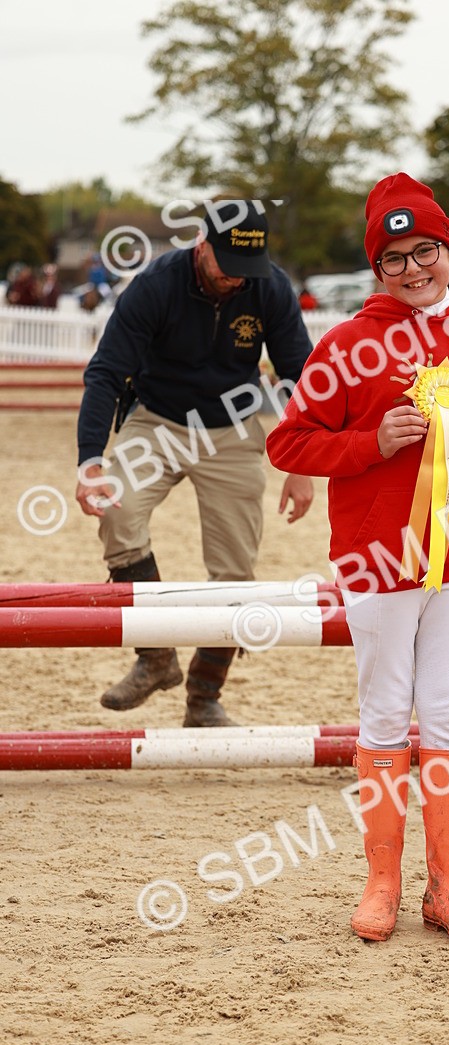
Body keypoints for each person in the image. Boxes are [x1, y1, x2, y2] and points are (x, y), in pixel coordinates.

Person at [267, 174, 449, 949]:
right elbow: (288, 442)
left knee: (448, 716)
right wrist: (368, 444)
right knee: (387, 713)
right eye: (395, 257)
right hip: (375, 558)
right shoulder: (348, 344)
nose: (414, 267)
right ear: (377, 269)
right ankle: (381, 882)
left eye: (426, 250)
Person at [76, 200, 314, 726]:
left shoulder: (269, 286)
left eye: (245, 269)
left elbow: (300, 373)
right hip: (156, 419)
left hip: (233, 427)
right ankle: (156, 657)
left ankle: (204, 696)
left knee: (235, 569)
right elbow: (106, 372)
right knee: (117, 511)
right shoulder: (154, 285)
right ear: (201, 245)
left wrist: (302, 464)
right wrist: (90, 460)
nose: (235, 279)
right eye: (225, 263)